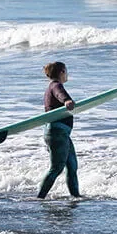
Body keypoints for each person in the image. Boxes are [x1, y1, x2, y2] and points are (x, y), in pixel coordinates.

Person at [37, 61, 81, 199]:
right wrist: (67, 100)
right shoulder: (56, 85)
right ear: (62, 72)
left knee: (72, 166)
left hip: (62, 134)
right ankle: (39, 197)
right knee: (56, 168)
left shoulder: (51, 86)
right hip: (57, 133)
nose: (67, 74)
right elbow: (60, 94)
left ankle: (76, 197)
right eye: (66, 71)